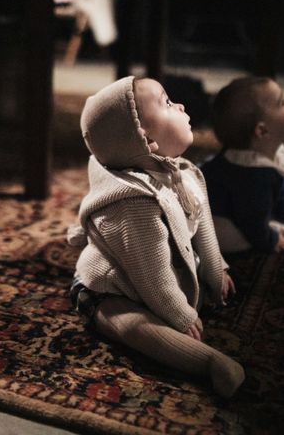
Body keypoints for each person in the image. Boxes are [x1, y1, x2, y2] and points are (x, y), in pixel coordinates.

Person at [67, 76, 245, 398]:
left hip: (159, 270)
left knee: (195, 279)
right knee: (134, 326)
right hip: (109, 288)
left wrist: (216, 269)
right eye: (166, 103)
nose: (180, 105)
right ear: (145, 140)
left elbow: (203, 227)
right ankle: (208, 363)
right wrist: (180, 313)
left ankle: (187, 306)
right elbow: (154, 277)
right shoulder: (136, 206)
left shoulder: (186, 172)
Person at [201, 76, 284, 254]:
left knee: (263, 211)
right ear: (262, 131)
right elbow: (251, 222)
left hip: (244, 211)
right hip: (218, 220)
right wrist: (271, 240)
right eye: (282, 103)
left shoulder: (267, 154)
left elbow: (282, 185)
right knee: (238, 234)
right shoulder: (253, 178)